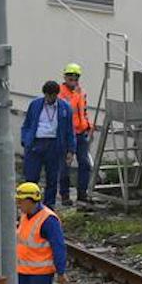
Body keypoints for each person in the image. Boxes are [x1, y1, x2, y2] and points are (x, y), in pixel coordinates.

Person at [15, 181, 68, 284]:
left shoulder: (48, 220)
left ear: (29, 201)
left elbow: (58, 246)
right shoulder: (25, 215)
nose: (18, 204)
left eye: (20, 201)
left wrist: (61, 271)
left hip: (40, 273)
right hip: (23, 271)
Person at [21, 81, 76, 208]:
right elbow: (27, 123)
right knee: (31, 176)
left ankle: (49, 206)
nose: (50, 98)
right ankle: (31, 205)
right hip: (36, 143)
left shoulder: (65, 108)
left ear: (57, 95)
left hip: (54, 144)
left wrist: (71, 150)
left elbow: (69, 130)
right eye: (48, 95)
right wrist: (25, 140)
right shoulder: (35, 104)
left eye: (52, 96)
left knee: (52, 178)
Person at [58, 63, 92, 206]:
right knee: (65, 166)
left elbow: (83, 111)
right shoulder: (60, 94)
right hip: (66, 135)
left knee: (85, 164)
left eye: (75, 77)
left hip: (80, 133)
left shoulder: (81, 92)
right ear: (65, 77)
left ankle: (82, 195)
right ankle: (65, 196)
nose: (73, 79)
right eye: (70, 77)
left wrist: (88, 126)